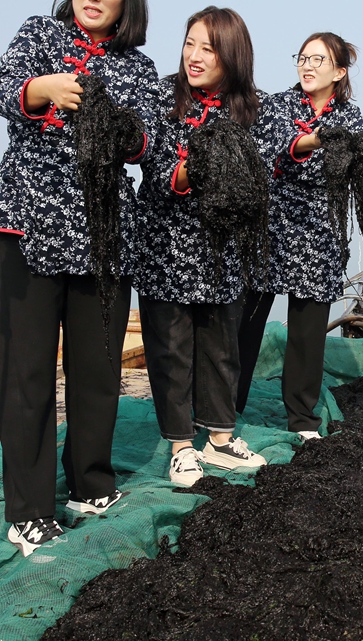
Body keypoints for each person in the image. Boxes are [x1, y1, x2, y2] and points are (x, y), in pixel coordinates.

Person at [0, 0, 156, 557]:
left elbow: (148, 142)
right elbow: (1, 92)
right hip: (30, 221)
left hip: (104, 231)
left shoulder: (138, 66)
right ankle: (29, 510)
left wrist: (123, 127)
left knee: (99, 367)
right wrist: (44, 89)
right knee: (25, 370)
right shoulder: (39, 32)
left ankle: (91, 484)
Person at [134, 6, 266, 488]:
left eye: (208, 48)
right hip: (165, 243)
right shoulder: (160, 95)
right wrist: (202, 158)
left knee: (221, 345)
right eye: (190, 43)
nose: (195, 56)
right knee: (171, 349)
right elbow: (159, 169)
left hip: (224, 250)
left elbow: (264, 170)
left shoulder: (252, 107)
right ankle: (181, 446)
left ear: (231, 54)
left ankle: (222, 437)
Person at [237, 32, 363, 441]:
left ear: (339, 71)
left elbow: (358, 174)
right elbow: (261, 152)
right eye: (303, 58)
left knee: (307, 333)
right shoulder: (275, 106)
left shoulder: (351, 118)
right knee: (245, 323)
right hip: (267, 225)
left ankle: (301, 418)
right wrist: (308, 142)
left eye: (319, 59)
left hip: (319, 231)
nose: (308, 66)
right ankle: (224, 412)